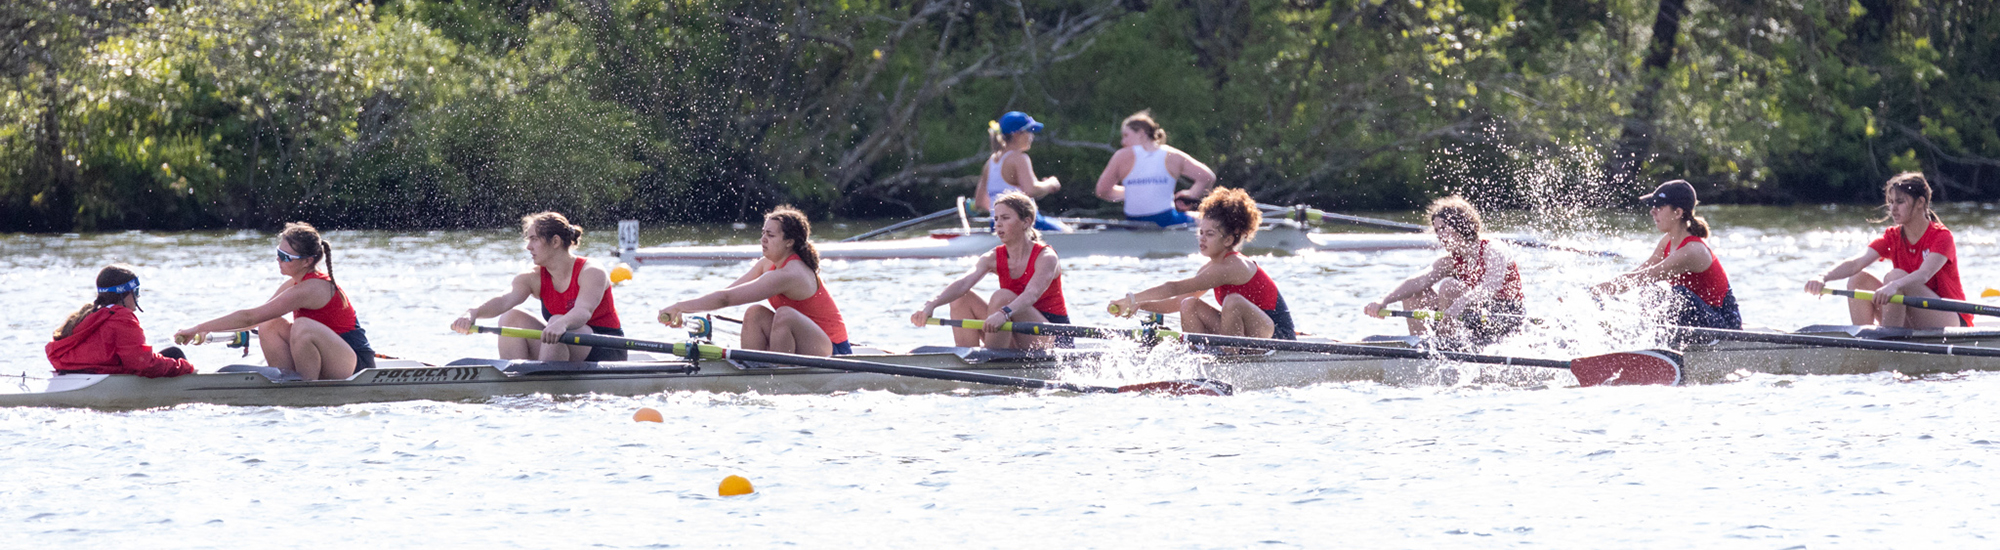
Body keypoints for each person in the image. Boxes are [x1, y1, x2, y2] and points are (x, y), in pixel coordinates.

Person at [175, 222, 375, 380]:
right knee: (269, 324)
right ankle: (286, 381)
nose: (278, 260)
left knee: (302, 326)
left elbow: (249, 316)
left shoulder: (313, 288)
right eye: (278, 254)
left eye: (286, 257)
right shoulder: (295, 284)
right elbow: (256, 318)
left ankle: (305, 385)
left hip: (356, 364)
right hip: (332, 354)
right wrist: (217, 331)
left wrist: (197, 328)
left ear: (307, 261)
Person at [658, 206, 853, 356]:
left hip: (833, 349)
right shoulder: (766, 264)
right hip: (805, 342)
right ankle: (753, 370)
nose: (763, 239)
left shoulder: (791, 273)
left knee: (784, 315)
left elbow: (725, 299)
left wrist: (679, 306)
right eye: (763, 233)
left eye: (770, 235)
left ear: (789, 242)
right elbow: (726, 295)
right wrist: (688, 313)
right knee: (754, 313)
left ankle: (777, 375)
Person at [1107, 188, 1297, 339]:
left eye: (1210, 234)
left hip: (1277, 336)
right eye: (1201, 233)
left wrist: (1131, 299)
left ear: (1229, 240)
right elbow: (1178, 301)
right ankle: (1199, 356)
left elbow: (1173, 288)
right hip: (1247, 334)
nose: (1202, 239)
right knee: (1189, 304)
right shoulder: (1209, 269)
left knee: (1233, 302)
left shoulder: (1234, 266)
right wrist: (1141, 305)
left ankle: (1229, 358)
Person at [1803, 172, 1971, 328]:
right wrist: (1823, 276)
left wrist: (1894, 285)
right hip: (1912, 314)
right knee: (1858, 279)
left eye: (1900, 201)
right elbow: (1857, 262)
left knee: (1895, 276)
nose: (1893, 208)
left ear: (1920, 202)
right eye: (1890, 202)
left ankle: (1887, 342)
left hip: (1951, 319)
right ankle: (1865, 347)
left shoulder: (1941, 237)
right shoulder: (1893, 236)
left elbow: (1924, 274)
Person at [450, 212, 625, 361]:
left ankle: (549, 393)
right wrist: (473, 312)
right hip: (562, 344)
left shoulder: (591, 271)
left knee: (556, 320)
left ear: (555, 242)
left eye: (534, 239)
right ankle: (517, 387)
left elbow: (583, 312)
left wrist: (561, 323)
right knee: (511, 317)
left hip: (607, 348)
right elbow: (504, 300)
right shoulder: (533, 277)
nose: (528, 247)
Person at [909, 192, 1070, 349]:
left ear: (1026, 222)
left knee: (1002, 297)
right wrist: (930, 305)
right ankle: (967, 360)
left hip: (1053, 336)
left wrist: (1004, 313)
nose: (998, 224)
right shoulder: (992, 257)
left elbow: (1032, 294)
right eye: (996, 218)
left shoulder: (1046, 257)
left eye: (1005, 218)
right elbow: (964, 282)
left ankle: (991, 359)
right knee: (961, 298)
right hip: (1016, 330)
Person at [1362, 196, 1526, 348]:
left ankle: (1446, 345)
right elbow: (1419, 280)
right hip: (1469, 315)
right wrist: (1384, 301)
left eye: (1443, 228)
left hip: (1503, 316)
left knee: (1449, 286)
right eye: (1437, 230)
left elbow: (1490, 286)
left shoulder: (1493, 249)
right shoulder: (1450, 261)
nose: (1440, 236)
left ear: (1461, 224)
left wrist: (1459, 305)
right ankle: (1422, 346)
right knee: (1414, 294)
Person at [1591, 180, 1742, 329]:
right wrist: (1595, 292)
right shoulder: (1667, 241)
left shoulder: (1692, 250)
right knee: (1651, 291)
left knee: (1678, 295)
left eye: (1659, 207)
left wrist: (1594, 293)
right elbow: (1638, 273)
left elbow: (1644, 277)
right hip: (1701, 319)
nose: (1652, 211)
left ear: (1678, 213)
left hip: (1726, 326)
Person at [46, 265, 195, 378]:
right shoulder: (122, 318)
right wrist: (185, 368)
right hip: (99, 379)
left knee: (170, 353)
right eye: (136, 292)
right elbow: (143, 363)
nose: (138, 297)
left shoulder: (88, 314)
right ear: (124, 295)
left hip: (73, 373)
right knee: (176, 355)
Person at [1093, 110, 1218, 227]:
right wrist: (1191, 194)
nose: (1123, 142)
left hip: (1133, 222)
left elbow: (1102, 191)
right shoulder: (1172, 155)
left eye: (1126, 135)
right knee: (1208, 219)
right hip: (1165, 221)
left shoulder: (1120, 156)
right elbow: (1207, 177)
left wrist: (1134, 191)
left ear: (1141, 133)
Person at [975, 111, 1070, 232]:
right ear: (1016, 134)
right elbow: (1030, 189)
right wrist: (1050, 184)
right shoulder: (1019, 158)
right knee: (1067, 230)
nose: (1032, 136)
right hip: (1023, 224)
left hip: (996, 226)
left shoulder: (990, 163)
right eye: (1029, 132)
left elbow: (980, 202)